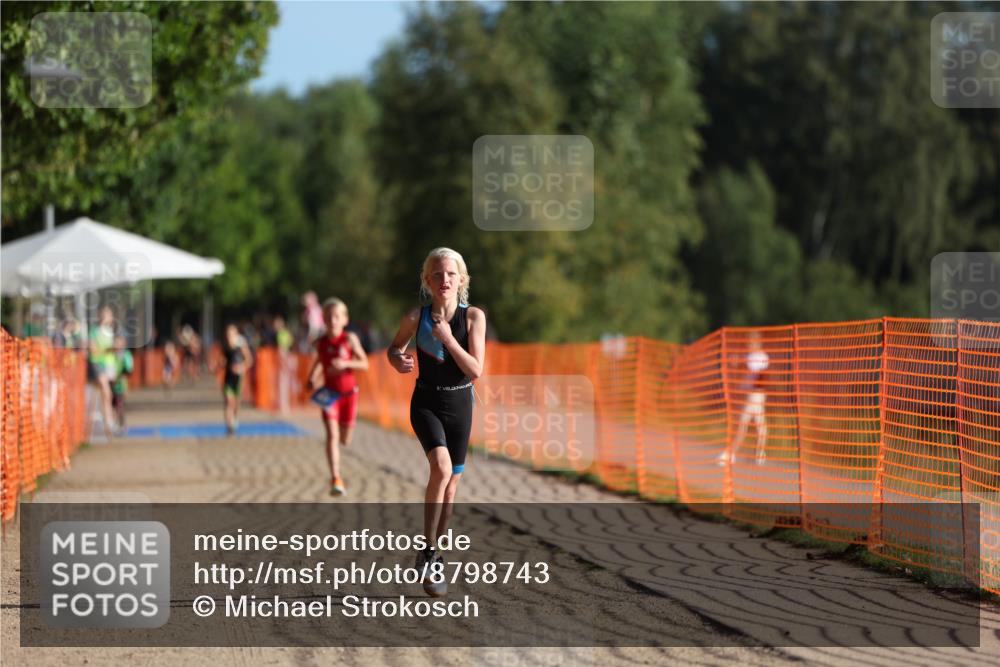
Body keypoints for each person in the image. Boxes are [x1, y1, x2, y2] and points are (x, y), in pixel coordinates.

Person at [386, 248, 486, 597]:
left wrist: (447, 340)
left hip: (460, 403)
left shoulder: (473, 318)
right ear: (427, 281)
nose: (445, 280)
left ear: (462, 279)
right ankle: (428, 550)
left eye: (451, 274)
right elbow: (394, 348)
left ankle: (433, 555)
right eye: (437, 274)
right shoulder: (416, 317)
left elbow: (475, 370)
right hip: (426, 401)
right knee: (441, 470)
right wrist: (397, 359)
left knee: (453, 486)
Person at [306, 298, 369, 496]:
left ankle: (338, 472)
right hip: (329, 395)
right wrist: (312, 378)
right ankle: (336, 478)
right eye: (329, 317)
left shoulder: (349, 339)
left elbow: (365, 363)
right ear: (323, 320)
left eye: (337, 316)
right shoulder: (321, 343)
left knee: (345, 440)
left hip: (350, 395)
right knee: (332, 436)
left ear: (344, 319)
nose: (333, 320)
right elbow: (319, 361)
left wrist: (346, 363)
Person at [719, 332, 770, 466]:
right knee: (756, 426)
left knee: (748, 425)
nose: (749, 345)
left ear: (757, 343)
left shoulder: (761, 357)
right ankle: (757, 454)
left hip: (756, 395)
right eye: (749, 343)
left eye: (751, 343)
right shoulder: (751, 356)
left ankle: (732, 454)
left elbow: (755, 373)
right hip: (751, 395)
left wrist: (739, 361)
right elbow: (746, 371)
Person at [88, 306, 119, 438]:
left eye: (109, 315)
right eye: (106, 315)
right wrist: (109, 349)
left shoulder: (112, 332)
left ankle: (108, 422)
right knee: (105, 392)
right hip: (97, 364)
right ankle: (108, 423)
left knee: (106, 396)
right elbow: (93, 349)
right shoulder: (94, 332)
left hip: (109, 367)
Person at [221, 324, 252, 435]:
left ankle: (235, 417)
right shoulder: (225, 346)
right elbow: (223, 361)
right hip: (228, 377)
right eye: (228, 333)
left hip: (238, 378)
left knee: (236, 402)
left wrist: (241, 367)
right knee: (228, 401)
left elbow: (249, 360)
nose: (229, 336)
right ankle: (229, 426)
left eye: (231, 333)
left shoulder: (241, 344)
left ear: (236, 333)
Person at [111, 335, 133, 434]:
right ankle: (114, 425)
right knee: (112, 406)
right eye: (115, 342)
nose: (116, 344)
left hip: (120, 386)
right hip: (110, 385)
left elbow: (128, 370)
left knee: (120, 407)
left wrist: (118, 377)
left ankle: (122, 425)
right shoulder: (111, 354)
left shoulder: (126, 354)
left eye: (118, 342)